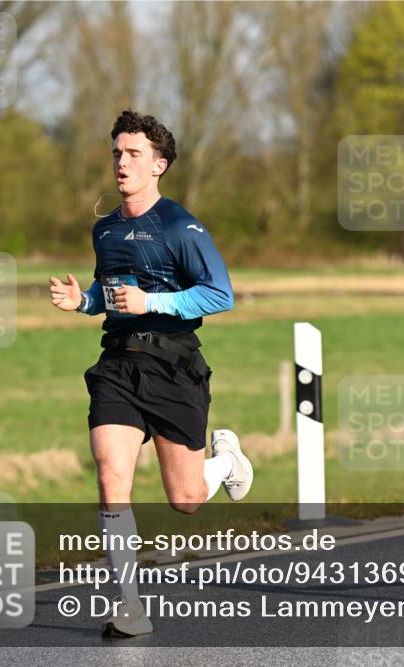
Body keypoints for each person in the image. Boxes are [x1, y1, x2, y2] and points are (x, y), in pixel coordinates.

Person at [49, 110, 253, 636]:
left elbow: (219, 293)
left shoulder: (179, 226)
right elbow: (111, 295)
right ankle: (131, 607)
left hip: (173, 364)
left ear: (158, 165)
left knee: (184, 499)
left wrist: (151, 300)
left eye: (134, 154)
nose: (122, 162)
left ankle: (225, 461)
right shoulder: (106, 228)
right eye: (117, 152)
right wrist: (84, 301)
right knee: (110, 474)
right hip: (117, 363)